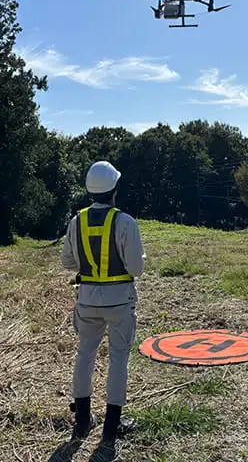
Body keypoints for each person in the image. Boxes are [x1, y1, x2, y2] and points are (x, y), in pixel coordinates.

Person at [61, 161, 143, 445]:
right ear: (114, 189)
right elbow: (136, 269)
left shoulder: (76, 221)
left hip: (86, 301)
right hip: (120, 301)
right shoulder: (125, 222)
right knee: (119, 358)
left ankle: (83, 420)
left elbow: (67, 261)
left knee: (85, 355)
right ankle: (112, 426)